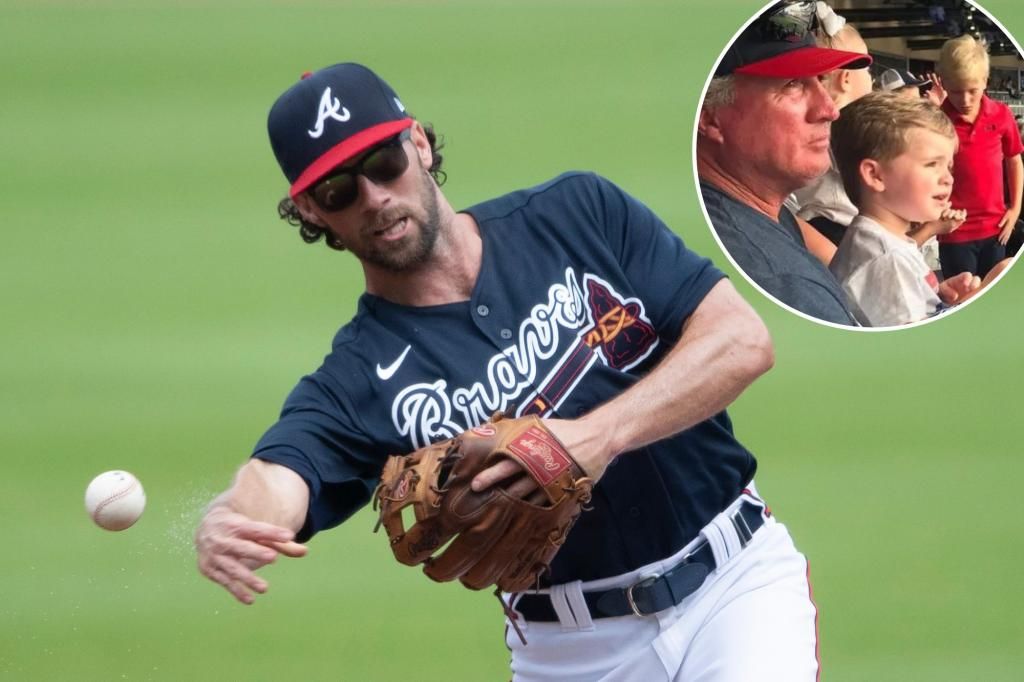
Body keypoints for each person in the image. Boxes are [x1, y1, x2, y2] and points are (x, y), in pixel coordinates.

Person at [194, 62, 822, 680]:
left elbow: (742, 340)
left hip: (735, 590)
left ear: (416, 143)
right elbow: (279, 477)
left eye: (383, 163)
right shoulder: (357, 377)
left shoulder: (577, 214)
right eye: (338, 190)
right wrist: (234, 516)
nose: (375, 198)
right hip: (574, 655)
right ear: (309, 210)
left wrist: (596, 439)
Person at [697, 1, 871, 325]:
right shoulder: (783, 282)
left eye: (820, 79)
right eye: (792, 84)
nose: (829, 110)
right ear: (710, 117)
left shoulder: (755, 205)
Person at [829, 92, 975, 326]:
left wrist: (938, 296)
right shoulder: (887, 261)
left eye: (948, 166)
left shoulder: (885, 243)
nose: (947, 178)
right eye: (932, 164)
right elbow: (915, 350)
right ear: (875, 175)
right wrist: (977, 304)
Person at [786, 5, 874, 249]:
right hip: (839, 226)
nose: (872, 78)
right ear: (846, 79)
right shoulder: (849, 124)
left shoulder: (810, 122)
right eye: (868, 70)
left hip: (813, 219)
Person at [935, 35, 1024, 278]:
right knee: (962, 298)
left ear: (985, 81)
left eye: (972, 91)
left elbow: (1014, 160)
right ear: (943, 83)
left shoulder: (1002, 115)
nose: (964, 100)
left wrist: (1015, 208)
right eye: (955, 92)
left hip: (996, 229)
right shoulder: (936, 121)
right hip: (954, 232)